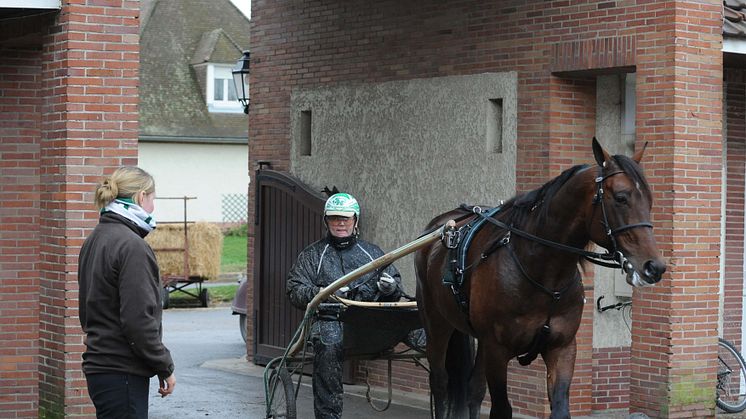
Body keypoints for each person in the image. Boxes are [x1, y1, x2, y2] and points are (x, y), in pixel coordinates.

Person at [287, 192, 402, 419]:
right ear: (326, 221)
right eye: (334, 218)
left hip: (370, 325)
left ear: (355, 221)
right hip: (329, 321)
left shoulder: (372, 253)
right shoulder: (312, 255)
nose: (340, 223)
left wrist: (391, 289)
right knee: (329, 341)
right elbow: (294, 291)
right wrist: (321, 294)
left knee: (422, 327)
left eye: (346, 218)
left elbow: (395, 284)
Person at [77, 166, 175, 419]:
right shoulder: (132, 246)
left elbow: (87, 309)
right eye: (153, 199)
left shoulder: (96, 238)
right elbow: (138, 320)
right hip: (122, 370)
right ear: (142, 197)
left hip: (101, 368)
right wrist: (164, 365)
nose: (153, 207)